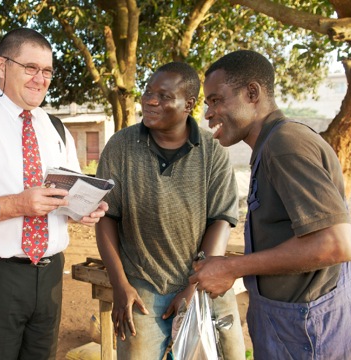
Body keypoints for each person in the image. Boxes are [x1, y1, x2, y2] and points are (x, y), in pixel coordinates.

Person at [0, 27, 108, 360]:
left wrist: (82, 210)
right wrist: (17, 204)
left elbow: (63, 199)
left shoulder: (56, 129)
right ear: (1, 66)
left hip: (52, 274)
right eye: (30, 68)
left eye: (46, 71)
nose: (39, 79)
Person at [191, 50, 351, 358]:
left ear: (252, 93)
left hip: (315, 336)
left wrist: (232, 268)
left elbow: (335, 244)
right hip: (298, 329)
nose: (208, 113)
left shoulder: (284, 144)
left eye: (216, 100)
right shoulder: (269, 147)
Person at [95, 62, 246, 360]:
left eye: (164, 96)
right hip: (143, 288)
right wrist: (119, 284)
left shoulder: (211, 150)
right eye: (148, 92)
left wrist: (196, 286)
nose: (151, 101)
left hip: (204, 282)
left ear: (188, 104)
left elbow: (221, 219)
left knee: (227, 354)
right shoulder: (120, 146)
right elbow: (105, 217)